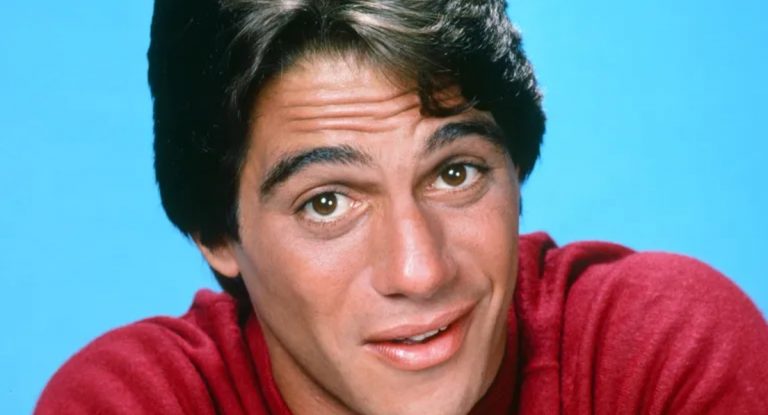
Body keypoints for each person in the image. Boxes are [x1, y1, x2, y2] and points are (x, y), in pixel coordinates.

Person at [35, 0, 768, 414]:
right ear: (216, 232)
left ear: (515, 171)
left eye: (455, 173)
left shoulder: (656, 354)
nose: (419, 270)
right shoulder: (136, 402)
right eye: (327, 202)